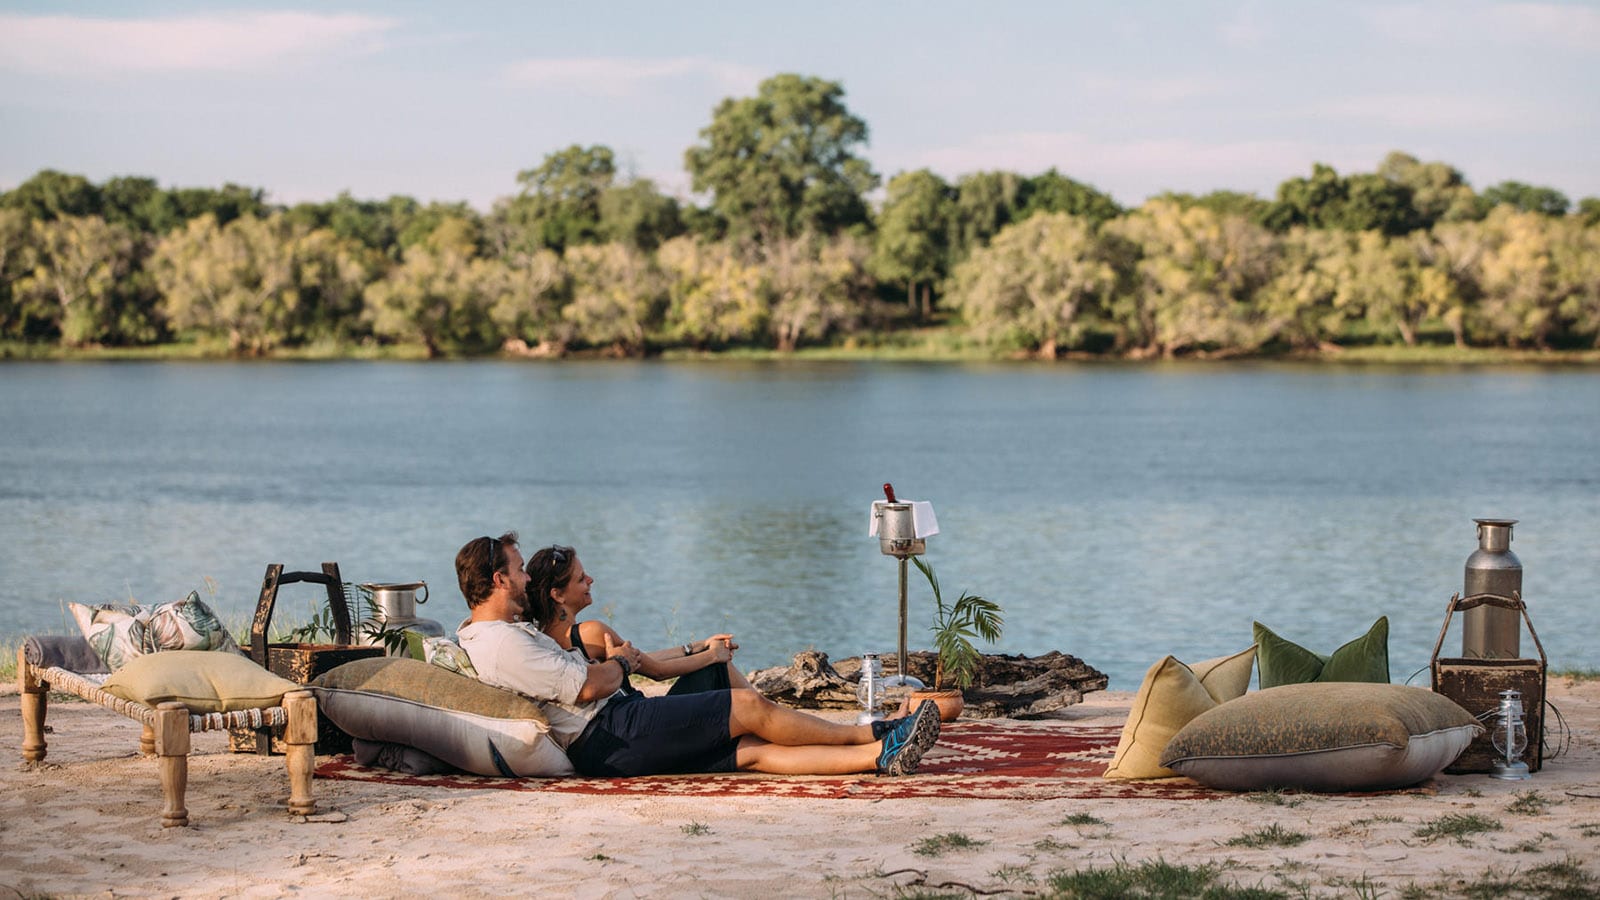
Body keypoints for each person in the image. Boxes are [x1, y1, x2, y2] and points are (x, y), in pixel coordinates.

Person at [453, 532, 940, 778]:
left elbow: (617, 673)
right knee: (748, 710)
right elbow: (586, 686)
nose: (525, 579)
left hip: (617, 723)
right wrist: (621, 662)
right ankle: (874, 735)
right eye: (518, 570)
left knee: (748, 749)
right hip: (605, 735)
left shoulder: (504, 633)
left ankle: (878, 755)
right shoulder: (501, 641)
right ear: (498, 580)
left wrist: (696, 651)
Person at [522, 544, 749, 697]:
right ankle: (771, 715)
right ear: (558, 595)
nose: (591, 580)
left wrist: (697, 647)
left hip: (614, 733)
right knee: (718, 670)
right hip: (635, 720)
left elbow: (641, 660)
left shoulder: (544, 638)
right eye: (581, 579)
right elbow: (657, 672)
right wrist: (713, 656)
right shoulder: (590, 632)